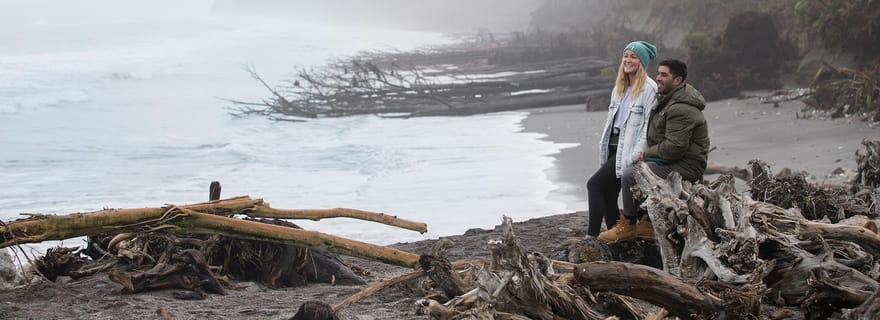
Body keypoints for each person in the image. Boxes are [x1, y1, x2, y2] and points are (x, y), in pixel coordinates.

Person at [598, 59, 710, 242]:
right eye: (658, 73)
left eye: (664, 75)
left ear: (678, 80)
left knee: (630, 174)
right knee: (637, 170)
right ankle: (645, 223)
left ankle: (630, 224)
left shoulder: (681, 108)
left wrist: (647, 154)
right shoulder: (668, 100)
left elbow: (675, 148)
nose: (658, 78)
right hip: (674, 159)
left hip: (686, 164)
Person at [585, 41, 658, 238]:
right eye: (626, 56)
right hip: (613, 145)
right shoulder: (620, 87)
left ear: (641, 62)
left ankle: (591, 237)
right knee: (609, 194)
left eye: (633, 57)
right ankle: (616, 235)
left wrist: (636, 153)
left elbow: (648, 126)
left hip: (628, 149)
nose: (628, 60)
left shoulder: (649, 89)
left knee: (594, 185)